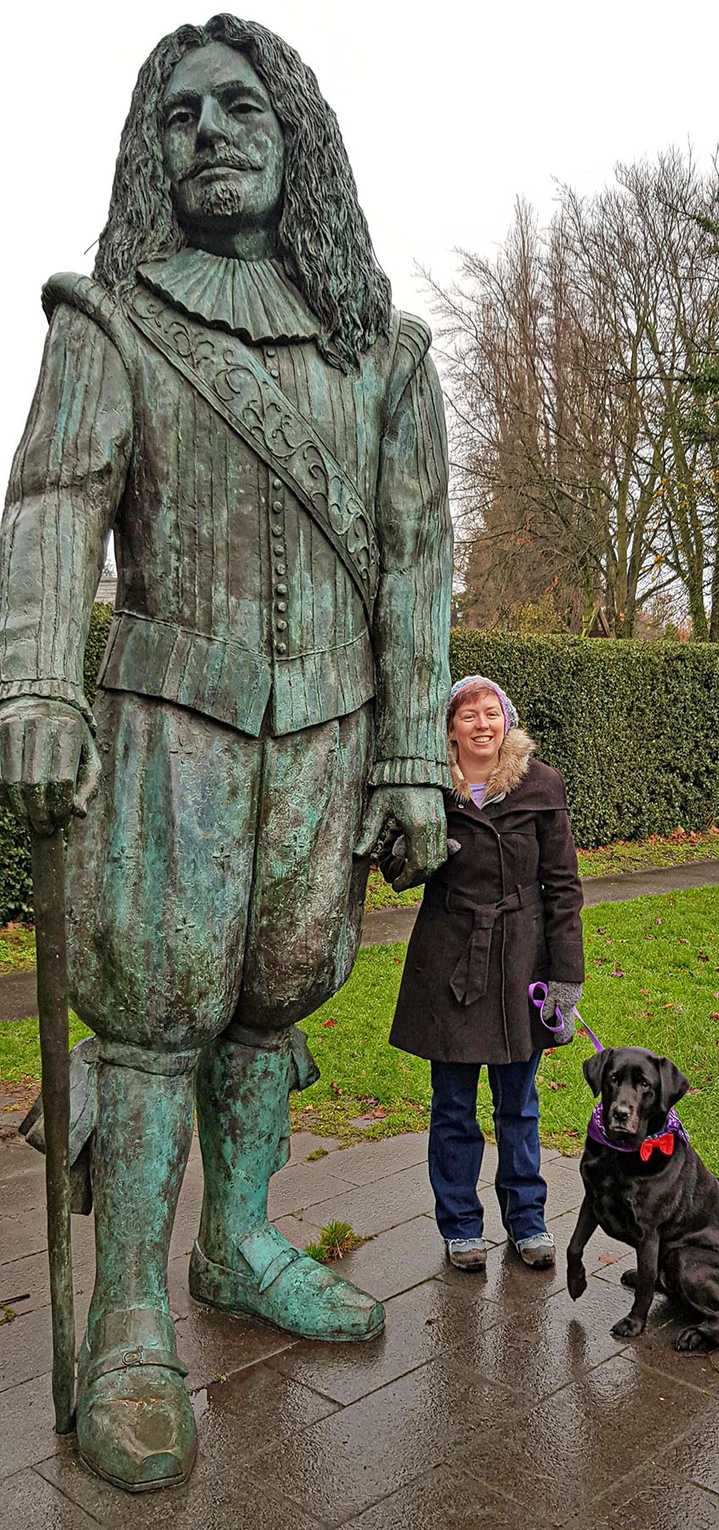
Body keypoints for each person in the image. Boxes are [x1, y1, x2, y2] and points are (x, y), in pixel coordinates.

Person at [0, 16, 452, 1492]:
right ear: (153, 148)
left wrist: (410, 757)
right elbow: (59, 504)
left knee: (274, 994)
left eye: (238, 102)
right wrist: (37, 687)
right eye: (178, 111)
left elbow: (412, 562)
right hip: (166, 730)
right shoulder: (110, 319)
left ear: (295, 132)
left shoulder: (379, 350)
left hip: (324, 742)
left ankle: (242, 1238)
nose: (208, 127)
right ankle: (130, 1312)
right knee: (155, 1009)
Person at [385, 674, 584, 1272]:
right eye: (466, 714)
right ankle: (461, 1226)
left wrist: (566, 979)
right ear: (449, 730)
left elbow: (564, 888)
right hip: (449, 960)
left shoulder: (540, 785)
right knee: (452, 1104)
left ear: (507, 722)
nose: (481, 724)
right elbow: (394, 870)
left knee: (518, 1103)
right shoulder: (429, 791)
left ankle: (527, 1220)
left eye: (491, 712)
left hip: (522, 960)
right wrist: (417, 853)